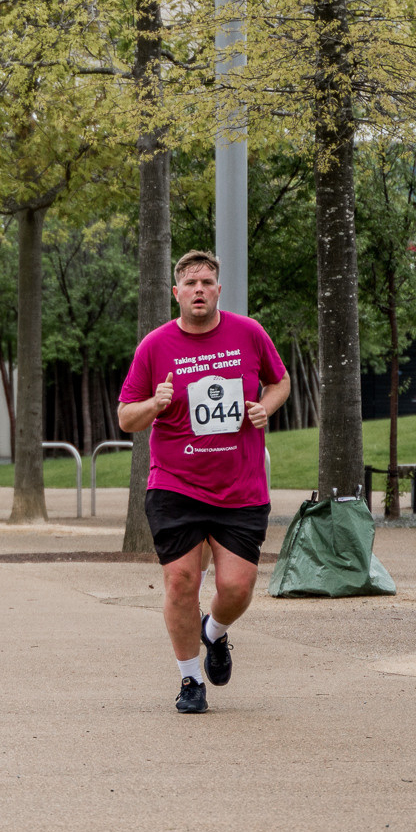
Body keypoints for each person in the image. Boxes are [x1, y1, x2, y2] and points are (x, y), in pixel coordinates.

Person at [116, 250, 289, 714]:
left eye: (207, 281)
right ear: (176, 293)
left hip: (240, 486)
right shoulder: (154, 346)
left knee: (237, 588)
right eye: (190, 283)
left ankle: (213, 632)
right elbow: (126, 417)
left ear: (218, 290)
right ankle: (190, 680)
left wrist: (264, 408)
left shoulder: (249, 334)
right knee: (180, 581)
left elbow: (280, 381)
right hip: (175, 484)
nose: (198, 289)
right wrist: (155, 403)